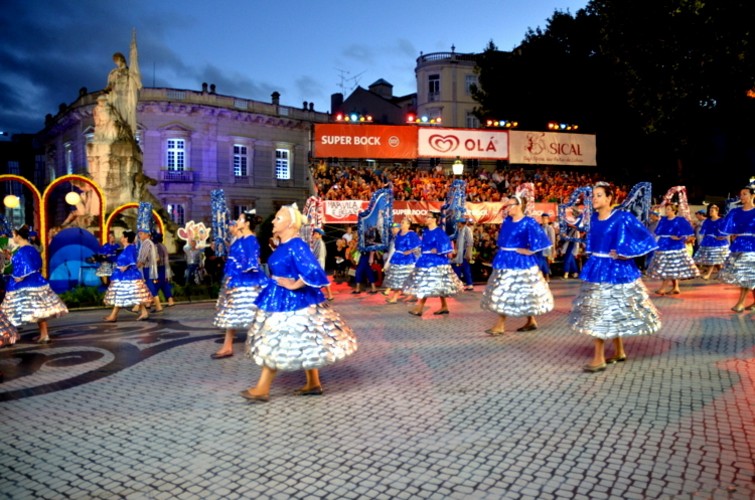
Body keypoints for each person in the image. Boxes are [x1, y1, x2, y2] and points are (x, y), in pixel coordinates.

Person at [241, 203, 358, 402]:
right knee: (305, 339)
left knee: (274, 338)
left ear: (291, 224)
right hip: (279, 297)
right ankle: (313, 383)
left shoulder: (296, 245)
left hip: (292, 302)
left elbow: (313, 269)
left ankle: (262, 388)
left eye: (278, 218)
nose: (273, 221)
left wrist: (294, 285)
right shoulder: (285, 244)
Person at [569, 182, 661, 373]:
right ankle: (619, 352)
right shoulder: (593, 219)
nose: (594, 199)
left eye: (599, 195)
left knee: (601, 312)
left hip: (617, 270)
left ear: (609, 198)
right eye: (593, 195)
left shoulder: (622, 217)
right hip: (596, 268)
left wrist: (627, 254)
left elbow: (645, 238)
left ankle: (599, 358)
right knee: (607, 310)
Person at [481, 195, 555, 335]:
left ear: (519, 206)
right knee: (517, 290)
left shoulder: (528, 222)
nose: (507, 208)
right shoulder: (507, 221)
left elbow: (541, 239)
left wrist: (530, 251)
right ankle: (531, 321)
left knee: (507, 290)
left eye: (510, 205)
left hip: (520, 261)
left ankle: (500, 325)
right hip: (504, 259)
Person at [212, 210, 269, 359]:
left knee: (252, 313)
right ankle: (227, 346)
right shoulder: (241, 238)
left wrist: (242, 270)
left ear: (247, 223)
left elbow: (252, 261)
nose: (237, 221)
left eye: (240, 219)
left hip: (247, 282)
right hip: (236, 280)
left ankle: (259, 345)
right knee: (232, 313)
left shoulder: (250, 239)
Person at [1, 225, 69, 343]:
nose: (13, 238)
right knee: (38, 310)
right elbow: (36, 263)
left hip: (26, 285)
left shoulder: (23, 250)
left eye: (13, 235)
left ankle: (10, 334)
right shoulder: (31, 248)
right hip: (36, 281)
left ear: (18, 236)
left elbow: (28, 266)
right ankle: (44, 334)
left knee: (27, 310)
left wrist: (19, 276)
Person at [404, 212, 464, 316]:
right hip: (425, 260)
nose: (426, 219)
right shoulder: (425, 231)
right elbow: (421, 245)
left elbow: (446, 245)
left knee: (427, 283)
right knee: (438, 284)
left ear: (434, 219)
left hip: (436, 262)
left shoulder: (439, 232)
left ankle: (420, 307)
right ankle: (444, 306)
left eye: (428, 217)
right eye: (426, 217)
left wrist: (438, 249)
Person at [646, 203, 700, 294]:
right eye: (666, 209)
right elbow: (658, 231)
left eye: (668, 209)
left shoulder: (680, 220)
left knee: (670, 266)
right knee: (671, 267)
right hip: (663, 245)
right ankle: (676, 287)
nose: (666, 211)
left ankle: (663, 288)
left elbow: (688, 233)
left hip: (675, 246)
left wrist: (680, 238)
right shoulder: (663, 220)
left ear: (674, 210)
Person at [718, 186, 755, 312]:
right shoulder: (735, 212)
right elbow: (727, 226)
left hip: (752, 246)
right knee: (749, 275)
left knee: (746, 274)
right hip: (738, 245)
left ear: (752, 196)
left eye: (745, 194)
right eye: (741, 194)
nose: (742, 196)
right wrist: (725, 234)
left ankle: (740, 303)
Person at [103, 230, 152, 322]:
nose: (121, 238)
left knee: (122, 294)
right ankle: (144, 312)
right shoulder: (127, 248)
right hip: (123, 275)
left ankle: (113, 316)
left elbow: (133, 260)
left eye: (122, 236)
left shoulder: (130, 248)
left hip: (128, 276)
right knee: (133, 295)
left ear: (126, 238)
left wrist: (126, 266)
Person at [384, 219, 421, 304]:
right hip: (397, 258)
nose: (401, 224)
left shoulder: (411, 234)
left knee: (407, 278)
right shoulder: (398, 234)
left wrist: (410, 251)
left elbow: (418, 246)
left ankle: (402, 296)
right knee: (397, 278)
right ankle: (397, 297)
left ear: (408, 225)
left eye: (403, 222)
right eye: (401, 222)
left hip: (407, 260)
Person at [693, 204, 729, 280]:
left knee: (713, 258)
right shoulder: (707, 221)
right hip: (708, 241)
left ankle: (708, 274)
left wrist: (723, 236)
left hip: (718, 242)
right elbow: (703, 231)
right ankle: (722, 275)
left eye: (712, 211)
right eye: (710, 211)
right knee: (716, 260)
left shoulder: (721, 220)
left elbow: (726, 230)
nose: (710, 212)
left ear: (717, 211)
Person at [136, 229, 160, 311]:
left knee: (150, 286)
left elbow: (143, 258)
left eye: (142, 234)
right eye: (139, 234)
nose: (140, 236)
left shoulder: (146, 243)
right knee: (148, 287)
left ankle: (158, 306)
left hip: (146, 268)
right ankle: (147, 304)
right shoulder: (149, 243)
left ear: (147, 235)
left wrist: (136, 266)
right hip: (149, 267)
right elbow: (157, 258)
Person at [310, 227, 334, 300]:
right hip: (319, 262)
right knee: (322, 279)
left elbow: (315, 254)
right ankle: (329, 295)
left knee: (319, 279)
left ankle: (325, 295)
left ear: (320, 235)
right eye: (314, 233)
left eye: (316, 233)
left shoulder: (319, 243)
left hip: (318, 262)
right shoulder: (318, 242)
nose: (314, 235)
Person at [153, 232, 175, 308]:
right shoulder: (163, 246)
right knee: (164, 284)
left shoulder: (157, 246)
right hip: (164, 267)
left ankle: (150, 301)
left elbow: (158, 259)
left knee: (156, 284)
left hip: (160, 267)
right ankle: (170, 300)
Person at [452, 217, 475, 291]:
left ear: (460, 223)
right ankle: (469, 284)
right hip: (460, 251)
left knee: (460, 267)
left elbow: (470, 242)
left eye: (458, 222)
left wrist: (468, 253)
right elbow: (456, 239)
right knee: (464, 268)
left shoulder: (467, 230)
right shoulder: (459, 230)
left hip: (465, 251)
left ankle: (460, 284)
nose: (457, 224)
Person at [538, 213, 556, 282]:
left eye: (545, 219)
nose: (544, 220)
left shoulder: (550, 228)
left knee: (544, 261)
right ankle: (544, 276)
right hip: (540, 248)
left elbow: (552, 240)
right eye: (543, 218)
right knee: (541, 261)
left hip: (547, 248)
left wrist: (553, 250)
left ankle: (546, 276)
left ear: (548, 220)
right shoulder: (539, 227)